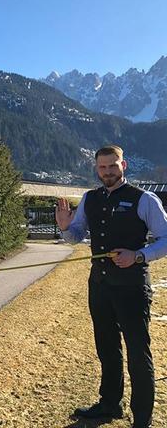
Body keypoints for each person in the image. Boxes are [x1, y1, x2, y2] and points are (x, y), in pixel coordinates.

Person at [56, 145, 167, 428]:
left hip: (132, 288)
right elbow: (75, 237)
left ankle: (142, 418)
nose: (107, 171)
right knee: (106, 347)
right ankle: (109, 405)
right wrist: (66, 227)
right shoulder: (89, 198)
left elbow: (165, 239)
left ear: (123, 165)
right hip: (100, 286)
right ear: (96, 168)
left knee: (138, 353)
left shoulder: (144, 199)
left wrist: (138, 255)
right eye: (102, 167)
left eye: (112, 166)